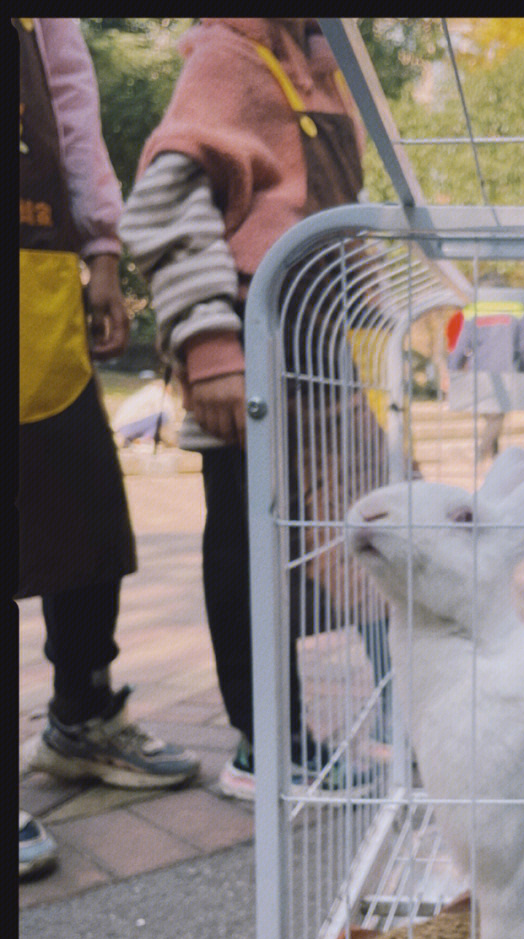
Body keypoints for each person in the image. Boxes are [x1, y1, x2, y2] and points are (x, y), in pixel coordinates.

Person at [121, 18, 389, 800]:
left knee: (371, 524)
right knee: (250, 547)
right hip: (245, 338)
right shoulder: (228, 57)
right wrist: (208, 349)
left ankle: (409, 713)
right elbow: (164, 203)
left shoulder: (316, 62)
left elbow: (334, 199)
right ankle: (265, 745)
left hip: (319, 339)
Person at [18, 18, 200, 878]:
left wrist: (100, 249)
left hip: (38, 264)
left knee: (88, 513)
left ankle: (80, 716)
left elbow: (70, 101)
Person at [445, 299, 524, 462]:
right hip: (506, 369)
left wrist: (453, 368)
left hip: (479, 372)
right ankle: (481, 454)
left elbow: (462, 345)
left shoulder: (474, 309)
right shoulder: (516, 308)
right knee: (496, 417)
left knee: (492, 415)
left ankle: (495, 457)